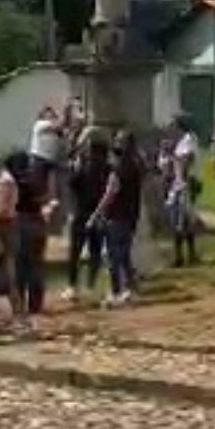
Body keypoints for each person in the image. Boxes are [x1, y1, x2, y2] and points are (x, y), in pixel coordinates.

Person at [91, 131, 144, 307]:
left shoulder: (118, 170)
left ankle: (116, 291)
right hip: (131, 215)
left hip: (116, 215)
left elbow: (110, 194)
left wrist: (96, 214)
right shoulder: (136, 166)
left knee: (114, 256)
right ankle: (129, 289)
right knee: (125, 254)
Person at [0, 151, 46, 330]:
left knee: (19, 265)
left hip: (19, 222)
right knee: (37, 265)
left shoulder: (11, 181)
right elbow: (44, 198)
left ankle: (20, 306)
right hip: (37, 221)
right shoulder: (35, 178)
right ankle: (36, 305)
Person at [62, 131, 109, 301]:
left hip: (82, 213)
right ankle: (91, 284)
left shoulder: (85, 168)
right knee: (95, 251)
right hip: (99, 214)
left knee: (75, 252)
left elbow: (72, 184)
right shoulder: (108, 169)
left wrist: (75, 164)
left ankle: (72, 286)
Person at [163, 115, 202, 267]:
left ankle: (181, 257)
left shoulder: (187, 140)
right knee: (185, 220)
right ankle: (188, 255)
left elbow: (186, 160)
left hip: (183, 184)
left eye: (173, 126)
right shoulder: (183, 141)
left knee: (180, 221)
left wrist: (179, 181)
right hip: (183, 183)